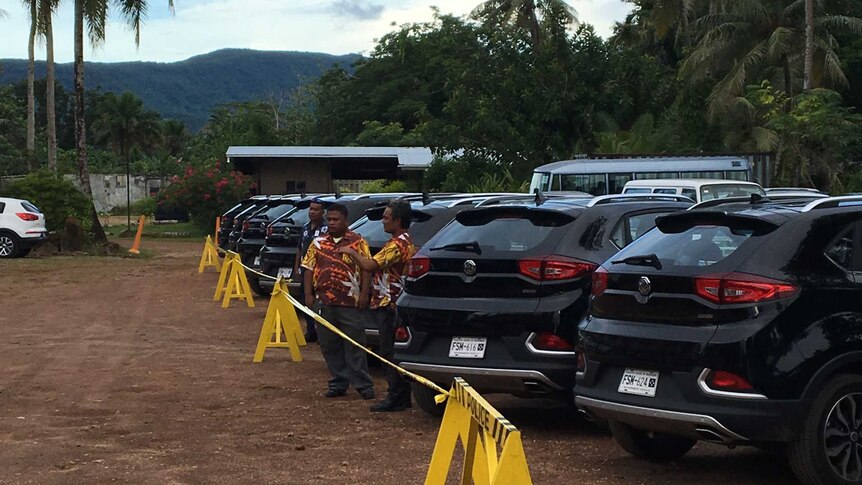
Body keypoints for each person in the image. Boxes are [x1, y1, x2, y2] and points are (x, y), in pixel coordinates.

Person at [339, 199, 414, 412]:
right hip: (388, 300)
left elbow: (370, 265)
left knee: (388, 350)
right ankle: (399, 394)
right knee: (388, 349)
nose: (382, 221)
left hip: (389, 302)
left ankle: (397, 395)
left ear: (398, 221)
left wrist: (351, 252)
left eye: (386, 218)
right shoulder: (402, 241)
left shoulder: (398, 244)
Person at [302, 203, 375, 400]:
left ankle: (363, 384)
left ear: (346, 221)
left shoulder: (358, 242)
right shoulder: (318, 243)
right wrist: (308, 295)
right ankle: (338, 382)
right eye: (330, 219)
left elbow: (367, 269)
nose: (332, 223)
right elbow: (308, 269)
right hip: (324, 302)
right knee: (329, 344)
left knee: (355, 344)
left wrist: (365, 294)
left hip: (350, 302)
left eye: (336, 220)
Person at [293, 198, 327, 343]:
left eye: (316, 209)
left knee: (320, 301)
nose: (312, 212)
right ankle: (310, 330)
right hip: (306, 270)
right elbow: (300, 248)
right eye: (311, 209)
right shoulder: (305, 228)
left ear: (323, 212)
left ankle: (322, 333)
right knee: (306, 299)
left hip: (319, 271)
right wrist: (297, 266)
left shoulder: (326, 229)